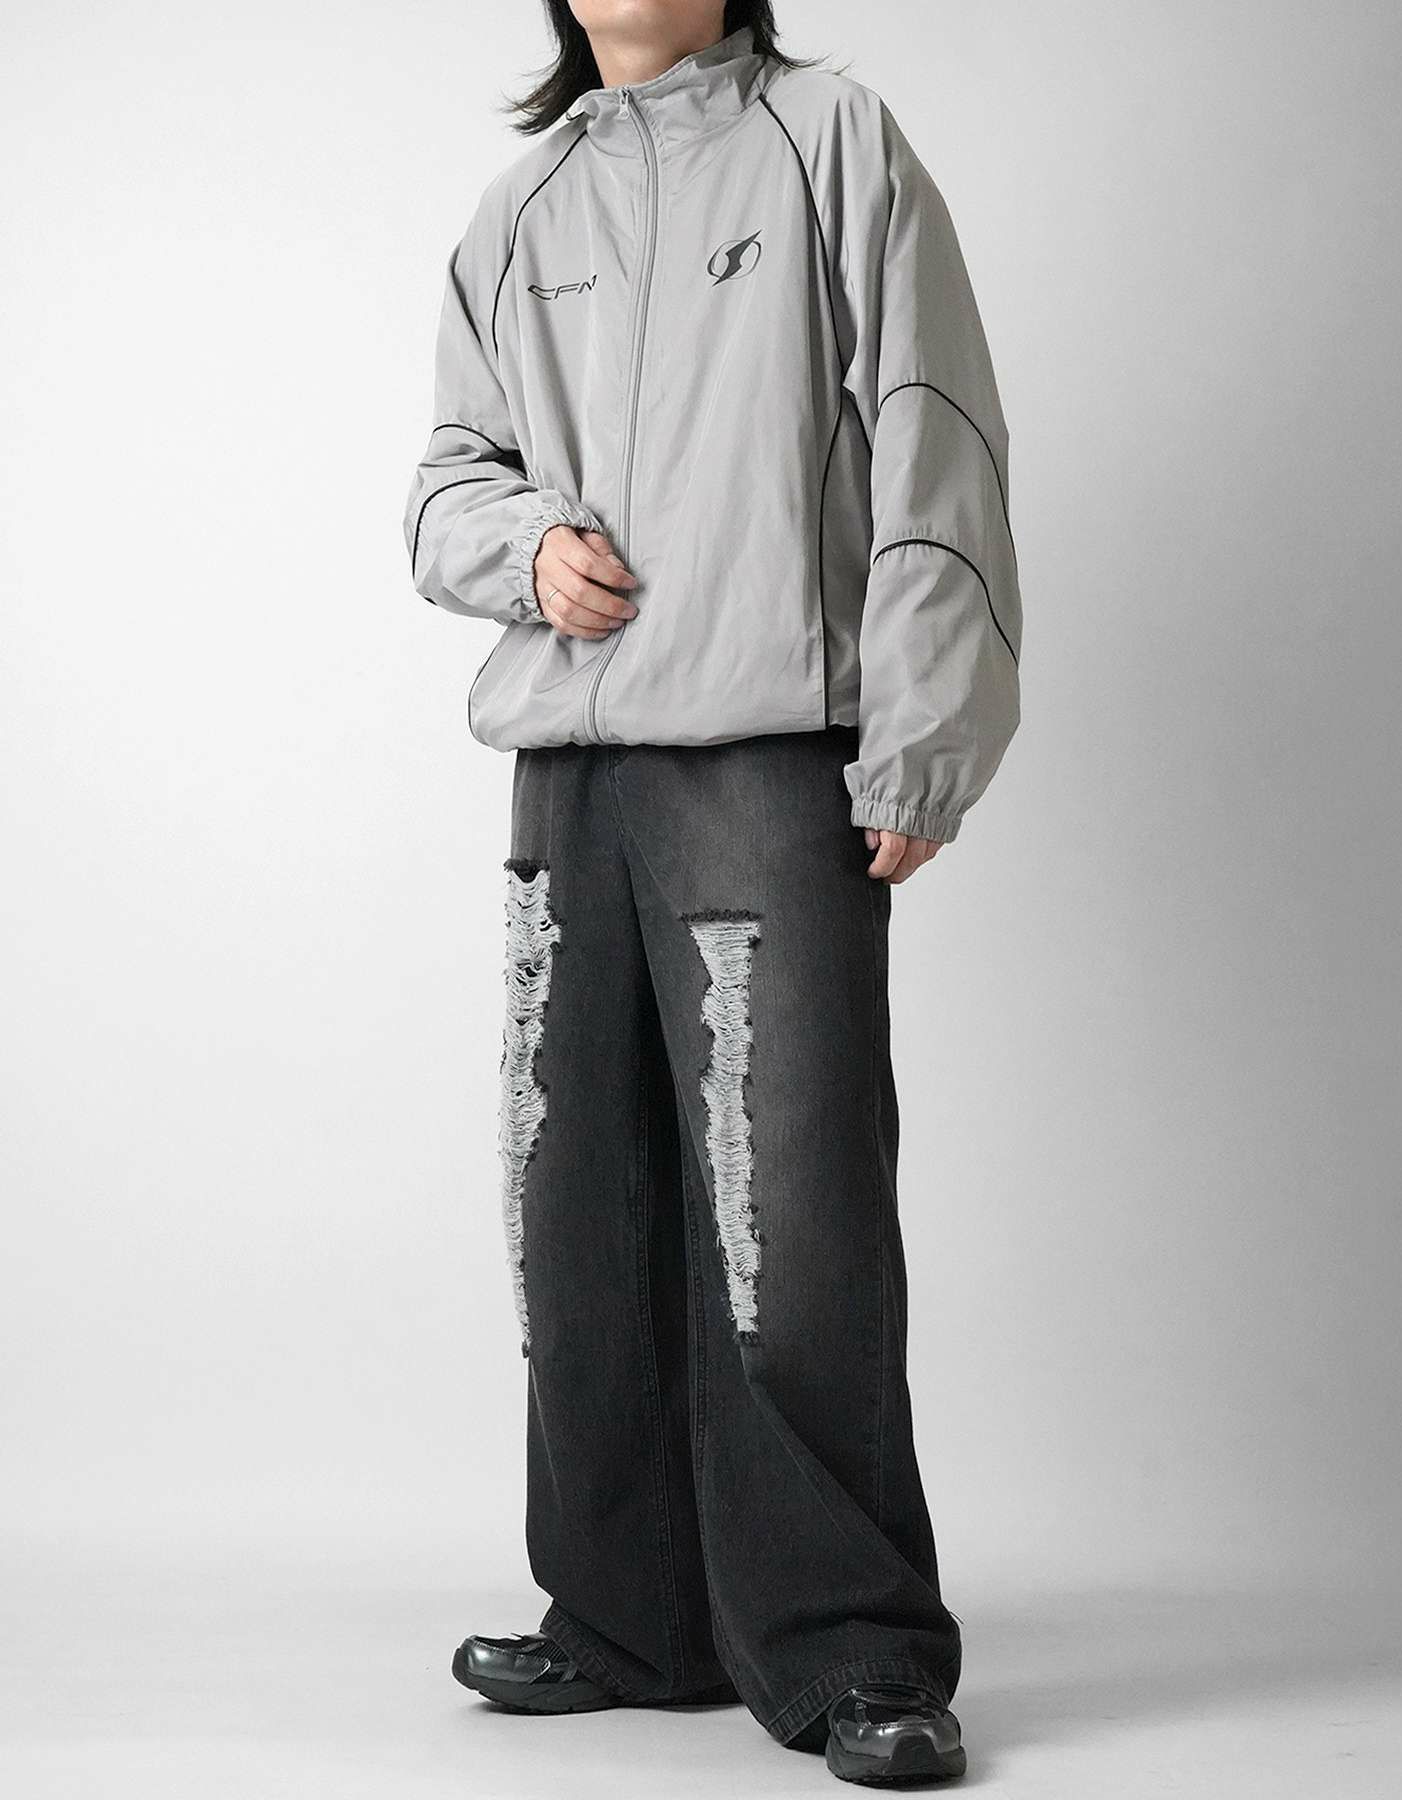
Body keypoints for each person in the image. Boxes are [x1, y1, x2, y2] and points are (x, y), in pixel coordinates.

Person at [402, 0, 1022, 1784]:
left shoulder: (832, 143)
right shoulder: (520, 210)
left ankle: (851, 1646)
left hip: (766, 747)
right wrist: (526, 548)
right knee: (575, 1206)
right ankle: (632, 1616)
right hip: (571, 765)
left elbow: (934, 423)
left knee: (793, 1216)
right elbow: (445, 480)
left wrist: (925, 733)